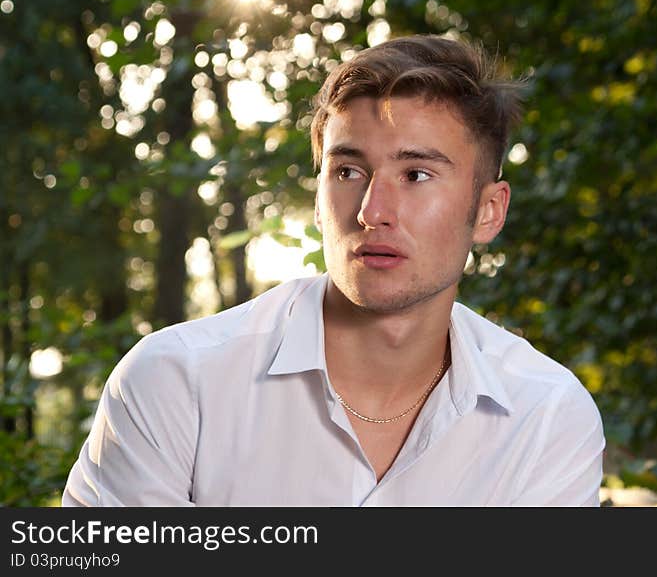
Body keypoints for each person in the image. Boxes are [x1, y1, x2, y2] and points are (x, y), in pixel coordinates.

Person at [62, 35, 605, 506]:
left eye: (416, 174)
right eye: (347, 171)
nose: (372, 210)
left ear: (489, 211)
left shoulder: (547, 415)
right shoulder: (175, 383)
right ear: (319, 200)